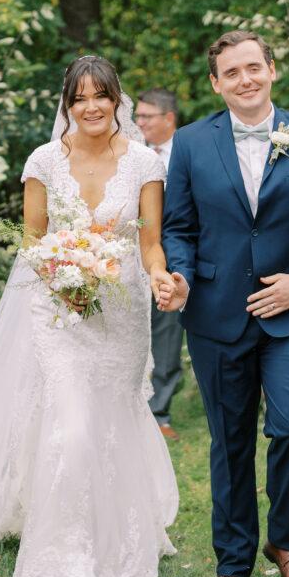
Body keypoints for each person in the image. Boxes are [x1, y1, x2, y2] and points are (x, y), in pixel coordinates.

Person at [0, 56, 179, 577]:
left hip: (121, 314)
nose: (91, 107)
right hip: (58, 310)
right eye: (79, 97)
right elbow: (33, 240)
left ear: (117, 100)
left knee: (111, 417)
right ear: (67, 103)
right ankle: (64, 564)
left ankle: (119, 529)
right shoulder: (44, 160)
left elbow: (150, 242)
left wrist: (160, 277)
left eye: (101, 96)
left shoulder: (143, 163)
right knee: (73, 425)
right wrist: (64, 276)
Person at [160, 30, 289, 577]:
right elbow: (179, 226)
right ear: (215, 83)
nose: (244, 79)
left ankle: (288, 544)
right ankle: (233, 561)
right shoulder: (192, 144)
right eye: (232, 72)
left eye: (254, 67)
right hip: (216, 312)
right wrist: (180, 272)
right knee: (229, 439)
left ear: (272, 70)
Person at [135, 87, 186, 440]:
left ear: (168, 118)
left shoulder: (187, 152)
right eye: (137, 116)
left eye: (146, 117)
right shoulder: (129, 153)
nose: (139, 123)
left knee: (167, 334)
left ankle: (160, 412)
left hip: (171, 254)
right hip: (128, 254)